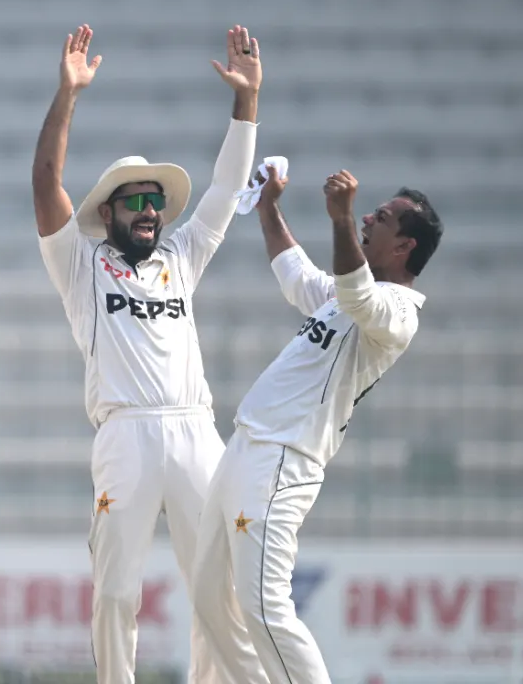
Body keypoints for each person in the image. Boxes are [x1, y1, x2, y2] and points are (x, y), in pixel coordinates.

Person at [30, 24, 260, 683]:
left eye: (157, 201)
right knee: (114, 593)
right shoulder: (81, 263)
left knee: (218, 592)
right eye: (137, 201)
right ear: (108, 213)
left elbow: (222, 192)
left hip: (194, 429)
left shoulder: (182, 258)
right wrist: (67, 94)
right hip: (125, 434)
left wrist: (246, 104)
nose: (152, 211)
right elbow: (46, 181)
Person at [189, 169, 442, 683]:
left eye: (383, 218)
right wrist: (267, 208)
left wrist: (342, 217)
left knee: (264, 604)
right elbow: (299, 275)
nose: (371, 217)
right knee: (210, 599)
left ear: (405, 246)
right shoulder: (346, 297)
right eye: (369, 213)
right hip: (246, 447)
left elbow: (357, 297)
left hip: (282, 460)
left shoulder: (396, 312)